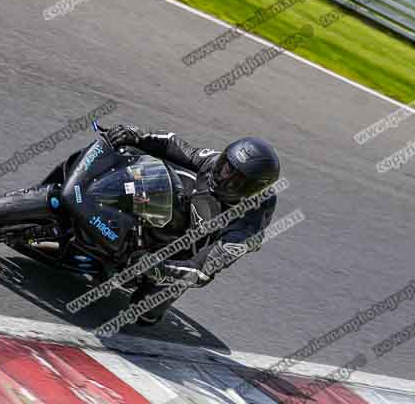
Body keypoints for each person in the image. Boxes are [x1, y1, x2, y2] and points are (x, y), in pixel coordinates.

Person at [99, 124, 281, 325]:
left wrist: (157, 267)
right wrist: (136, 135)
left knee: (144, 312)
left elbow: (201, 271)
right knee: (134, 153)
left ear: (251, 190)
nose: (223, 176)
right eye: (226, 167)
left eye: (235, 180)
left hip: (194, 247)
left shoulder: (247, 228)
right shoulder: (215, 162)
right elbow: (173, 145)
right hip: (191, 202)